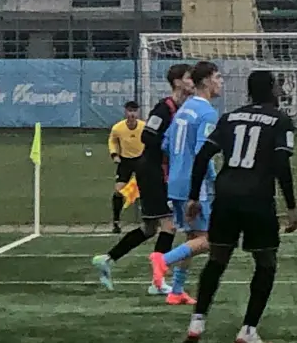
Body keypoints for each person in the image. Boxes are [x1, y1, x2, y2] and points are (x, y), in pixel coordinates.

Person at [182, 70, 297, 343]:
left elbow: (202, 157)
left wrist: (193, 197)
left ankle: (197, 323)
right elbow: (282, 165)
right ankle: (248, 330)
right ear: (272, 90)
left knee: (217, 259)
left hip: (226, 196)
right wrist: (292, 207)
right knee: (266, 262)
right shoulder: (280, 120)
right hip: (257, 198)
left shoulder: (230, 117)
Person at [92, 64, 193, 293]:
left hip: (156, 170)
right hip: (153, 171)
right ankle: (157, 282)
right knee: (169, 225)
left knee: (149, 228)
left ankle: (107, 259)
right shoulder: (164, 108)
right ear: (177, 82)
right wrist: (169, 147)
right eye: (188, 78)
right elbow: (148, 135)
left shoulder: (181, 108)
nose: (192, 82)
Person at [151, 61, 223, 304]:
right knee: (209, 239)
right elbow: (204, 152)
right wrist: (214, 180)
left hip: (176, 181)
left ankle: (176, 290)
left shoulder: (183, 108)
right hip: (196, 183)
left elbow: (166, 145)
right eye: (218, 77)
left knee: (192, 236)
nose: (220, 82)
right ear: (206, 82)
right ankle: (163, 260)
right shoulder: (207, 113)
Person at [107, 101, 145, 233]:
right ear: (125, 112)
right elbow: (112, 141)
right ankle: (116, 222)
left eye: (134, 111)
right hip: (125, 161)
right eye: (129, 111)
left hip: (141, 160)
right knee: (118, 191)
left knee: (146, 189)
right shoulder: (118, 128)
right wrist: (114, 155)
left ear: (138, 112)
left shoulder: (143, 127)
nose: (132, 114)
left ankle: (149, 219)